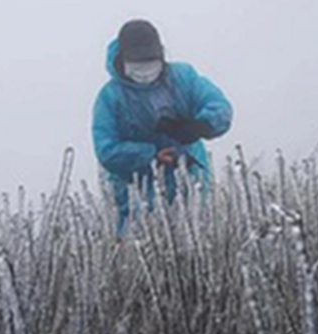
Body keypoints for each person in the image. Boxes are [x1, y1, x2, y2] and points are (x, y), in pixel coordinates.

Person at [92, 19, 233, 235]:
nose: (145, 71)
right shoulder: (110, 98)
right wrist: (151, 155)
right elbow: (106, 151)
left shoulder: (183, 78)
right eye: (137, 65)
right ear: (122, 61)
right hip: (136, 197)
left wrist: (200, 126)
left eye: (150, 63)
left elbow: (220, 107)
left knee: (202, 251)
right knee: (144, 258)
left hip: (193, 185)